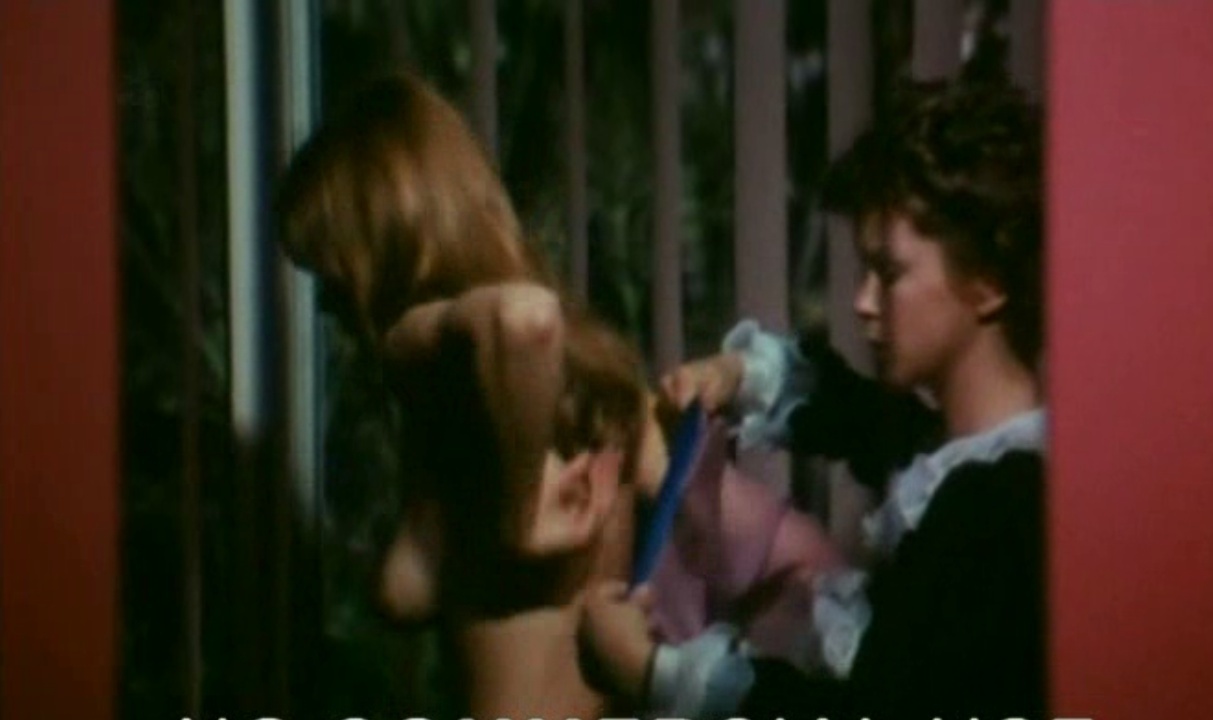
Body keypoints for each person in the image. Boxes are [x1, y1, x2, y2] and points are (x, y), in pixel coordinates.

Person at [276, 73, 842, 718]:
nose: (328, 307)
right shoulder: (597, 391)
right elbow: (800, 558)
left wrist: (519, 517)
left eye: (331, 276)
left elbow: (523, 318)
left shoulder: (416, 341)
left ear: (382, 244)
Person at [579, 78, 1048, 720]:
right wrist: (738, 375)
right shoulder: (956, 455)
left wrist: (654, 675)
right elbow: (859, 415)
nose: (862, 302)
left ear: (988, 282)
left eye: (889, 273)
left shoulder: (998, 505)